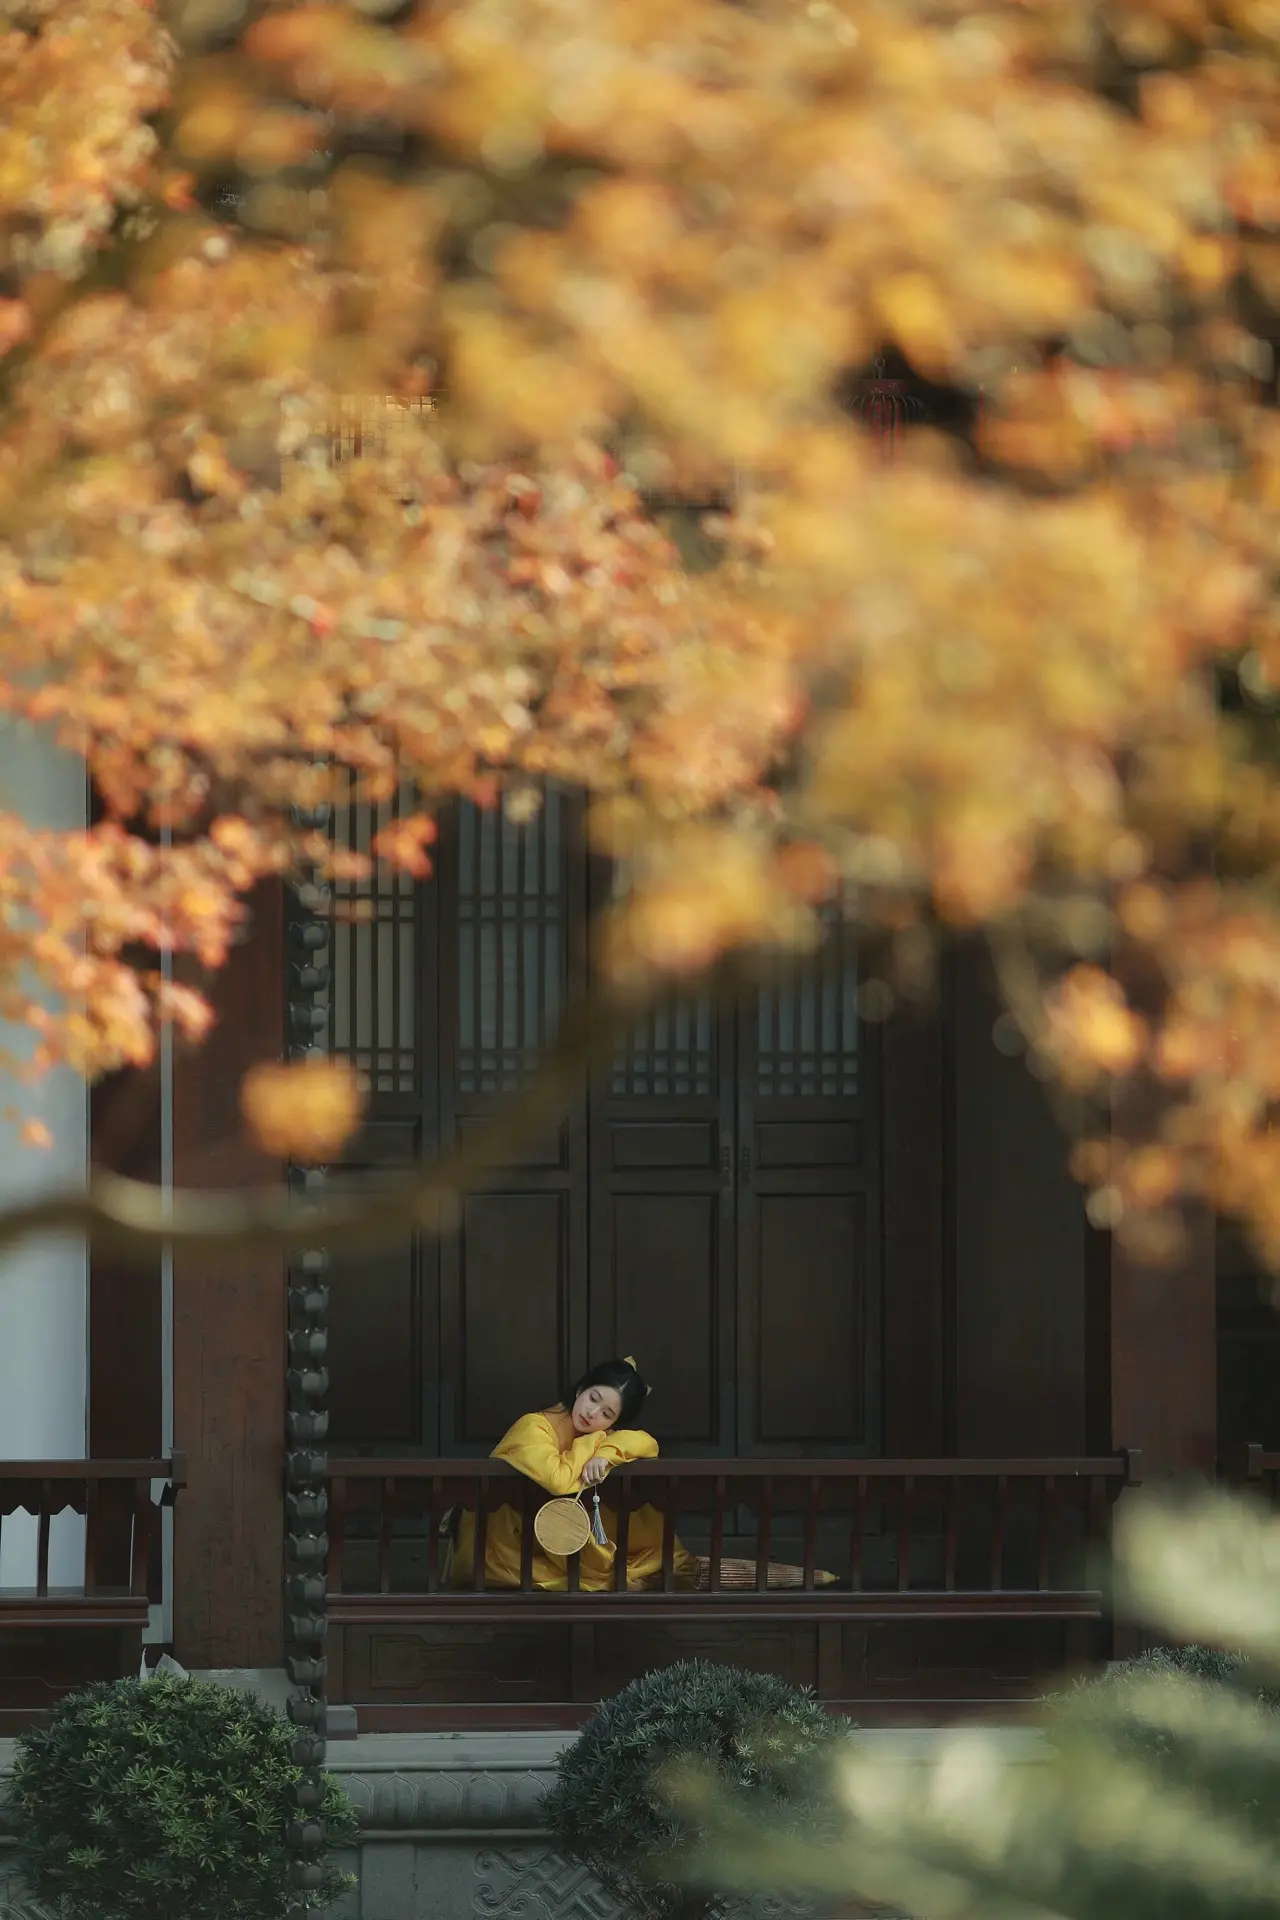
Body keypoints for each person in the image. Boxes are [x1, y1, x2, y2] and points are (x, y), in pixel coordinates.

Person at [447, 1357, 702, 1592]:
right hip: (502, 1547)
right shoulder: (533, 1426)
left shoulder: (601, 1438)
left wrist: (605, 1456)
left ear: (615, 1424)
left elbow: (647, 1443)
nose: (592, 1414)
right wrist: (594, 1443)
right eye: (593, 1398)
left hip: (552, 1539)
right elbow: (558, 1481)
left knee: (633, 1498)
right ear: (580, 1389)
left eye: (606, 1414)